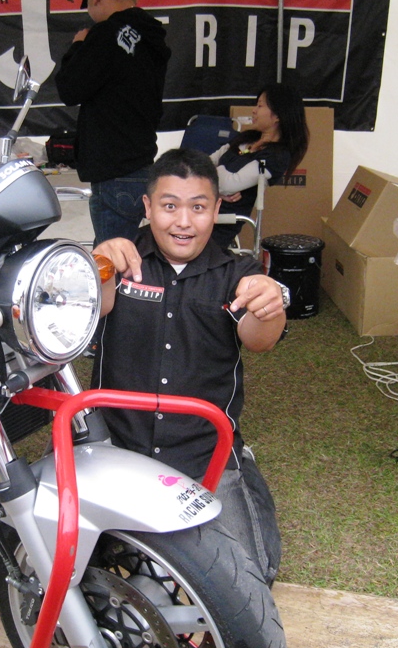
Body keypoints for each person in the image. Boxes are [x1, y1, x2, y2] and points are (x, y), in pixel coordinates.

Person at [91, 148, 289, 585]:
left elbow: (261, 340)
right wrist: (98, 269)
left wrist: (270, 304)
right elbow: (93, 310)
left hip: (205, 452)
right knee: (76, 564)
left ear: (216, 210)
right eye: (169, 206)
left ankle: (242, 467)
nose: (183, 222)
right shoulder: (118, 261)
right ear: (147, 207)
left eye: (198, 208)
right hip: (117, 451)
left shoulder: (238, 272)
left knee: (250, 578)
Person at [55, 0, 171, 245]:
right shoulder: (152, 36)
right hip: (141, 165)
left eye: (88, 2)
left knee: (113, 261)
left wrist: (78, 46)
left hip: (113, 170)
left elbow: (69, 89)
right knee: (127, 253)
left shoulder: (106, 33)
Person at [209, 84, 309, 250]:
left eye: (260, 106)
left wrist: (213, 176)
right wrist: (215, 190)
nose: (254, 111)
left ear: (277, 115)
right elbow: (206, 162)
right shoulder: (246, 138)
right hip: (201, 208)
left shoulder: (276, 157)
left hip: (217, 225)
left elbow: (227, 184)